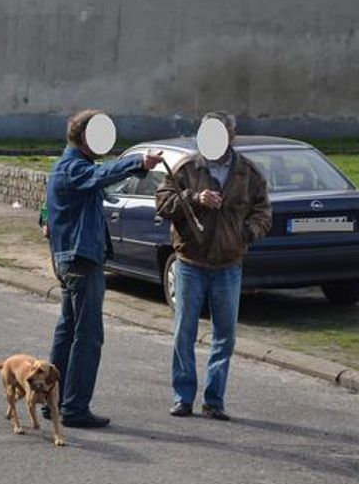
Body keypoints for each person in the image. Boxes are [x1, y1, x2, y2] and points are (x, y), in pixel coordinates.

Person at [46, 109, 162, 428]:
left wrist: (137, 170)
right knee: (88, 335)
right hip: (81, 261)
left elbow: (102, 180)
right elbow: (100, 177)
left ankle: (51, 398)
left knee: (68, 329)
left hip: (69, 258)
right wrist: (138, 162)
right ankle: (74, 408)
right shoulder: (73, 168)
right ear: (85, 137)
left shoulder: (66, 166)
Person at [154, 111, 272, 420]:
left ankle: (214, 400)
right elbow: (163, 204)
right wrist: (194, 197)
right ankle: (183, 397)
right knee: (184, 331)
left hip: (229, 265)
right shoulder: (186, 167)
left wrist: (245, 234)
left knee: (225, 336)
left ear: (232, 136)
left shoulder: (248, 173)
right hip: (190, 263)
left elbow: (264, 212)